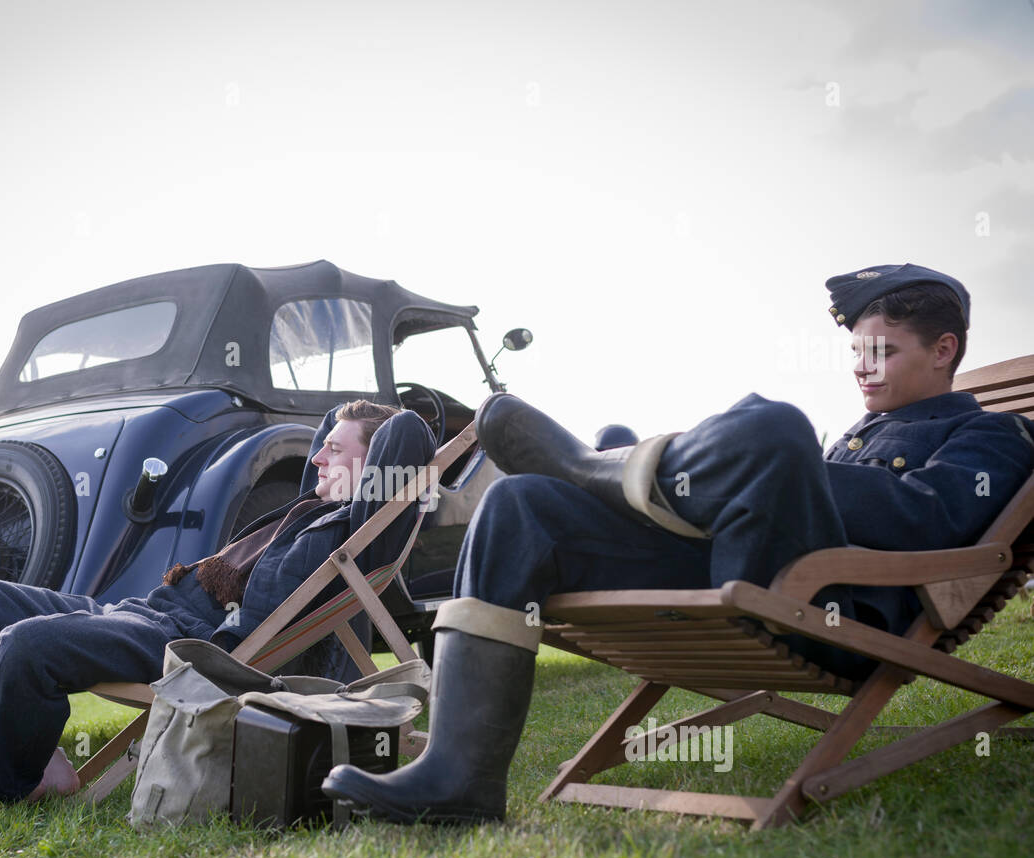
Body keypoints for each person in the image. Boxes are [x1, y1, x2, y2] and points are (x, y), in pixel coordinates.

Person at [323, 264, 1034, 825]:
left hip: (832, 610)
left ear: (945, 350)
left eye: (880, 352)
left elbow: (932, 522)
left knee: (773, 426)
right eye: (855, 352)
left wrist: (792, 475)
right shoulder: (857, 435)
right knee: (521, 501)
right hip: (742, 567)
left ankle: (605, 468)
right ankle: (459, 775)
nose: (861, 367)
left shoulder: (993, 436)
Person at [0, 400, 434, 818]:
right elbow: (329, 445)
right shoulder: (306, 510)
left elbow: (404, 436)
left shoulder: (354, 533)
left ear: (374, 471)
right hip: (145, 611)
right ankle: (33, 761)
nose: (316, 456)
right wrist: (340, 431)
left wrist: (390, 428)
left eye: (335, 452)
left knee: (24, 644)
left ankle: (0, 787)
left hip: (186, 639)